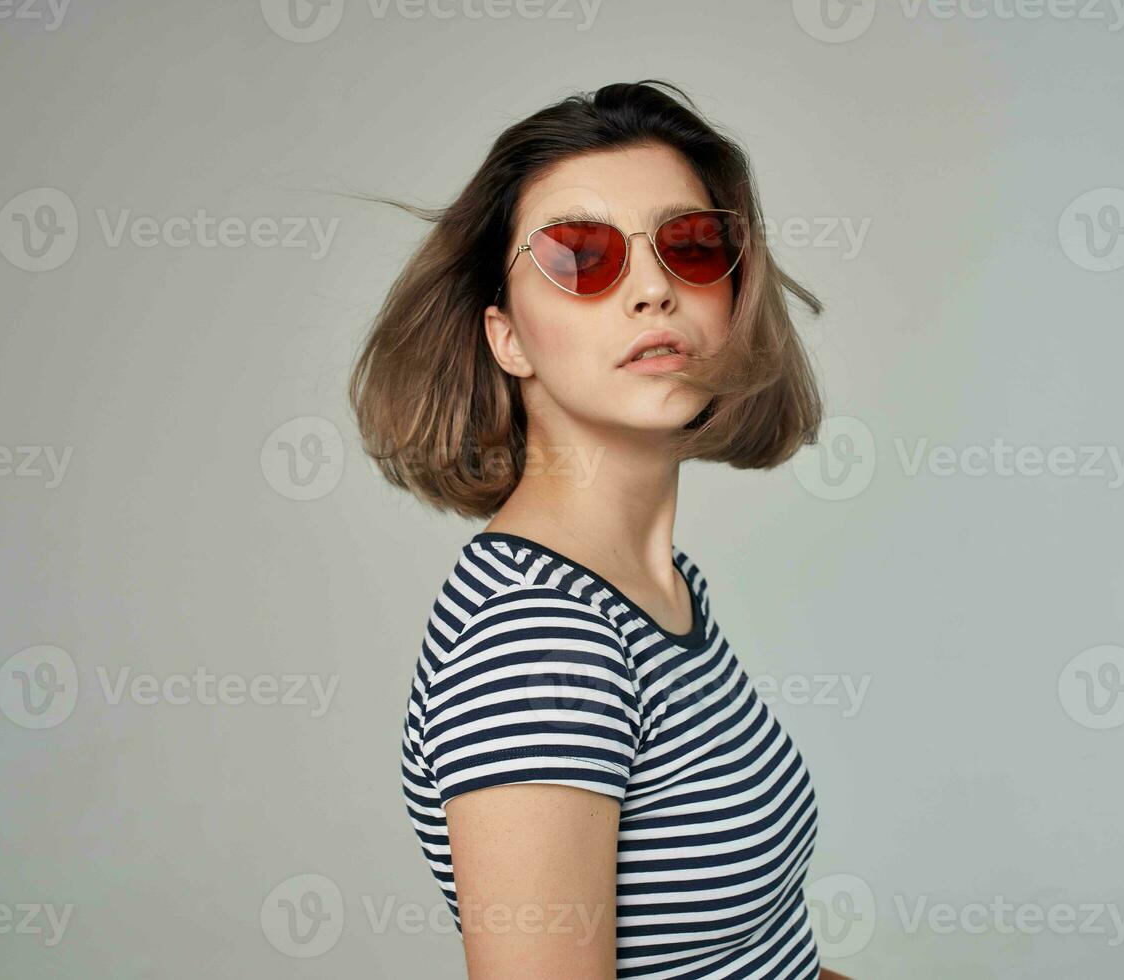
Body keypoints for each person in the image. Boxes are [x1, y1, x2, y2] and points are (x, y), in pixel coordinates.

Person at [350, 78, 849, 979]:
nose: (654, 288)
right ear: (506, 338)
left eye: (692, 247)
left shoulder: (655, 590)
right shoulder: (539, 637)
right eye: (581, 257)